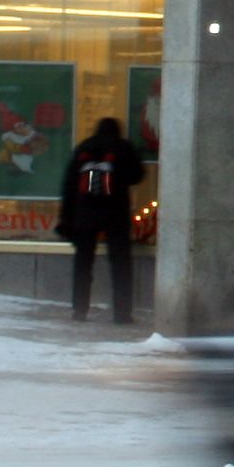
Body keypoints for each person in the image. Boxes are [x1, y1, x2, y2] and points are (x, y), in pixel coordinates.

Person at [54, 116, 147, 325]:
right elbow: (137, 176)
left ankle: (79, 310)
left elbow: (68, 187)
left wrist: (66, 219)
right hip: (115, 214)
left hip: (84, 215)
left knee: (83, 264)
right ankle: (122, 314)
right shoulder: (122, 147)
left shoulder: (83, 148)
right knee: (121, 265)